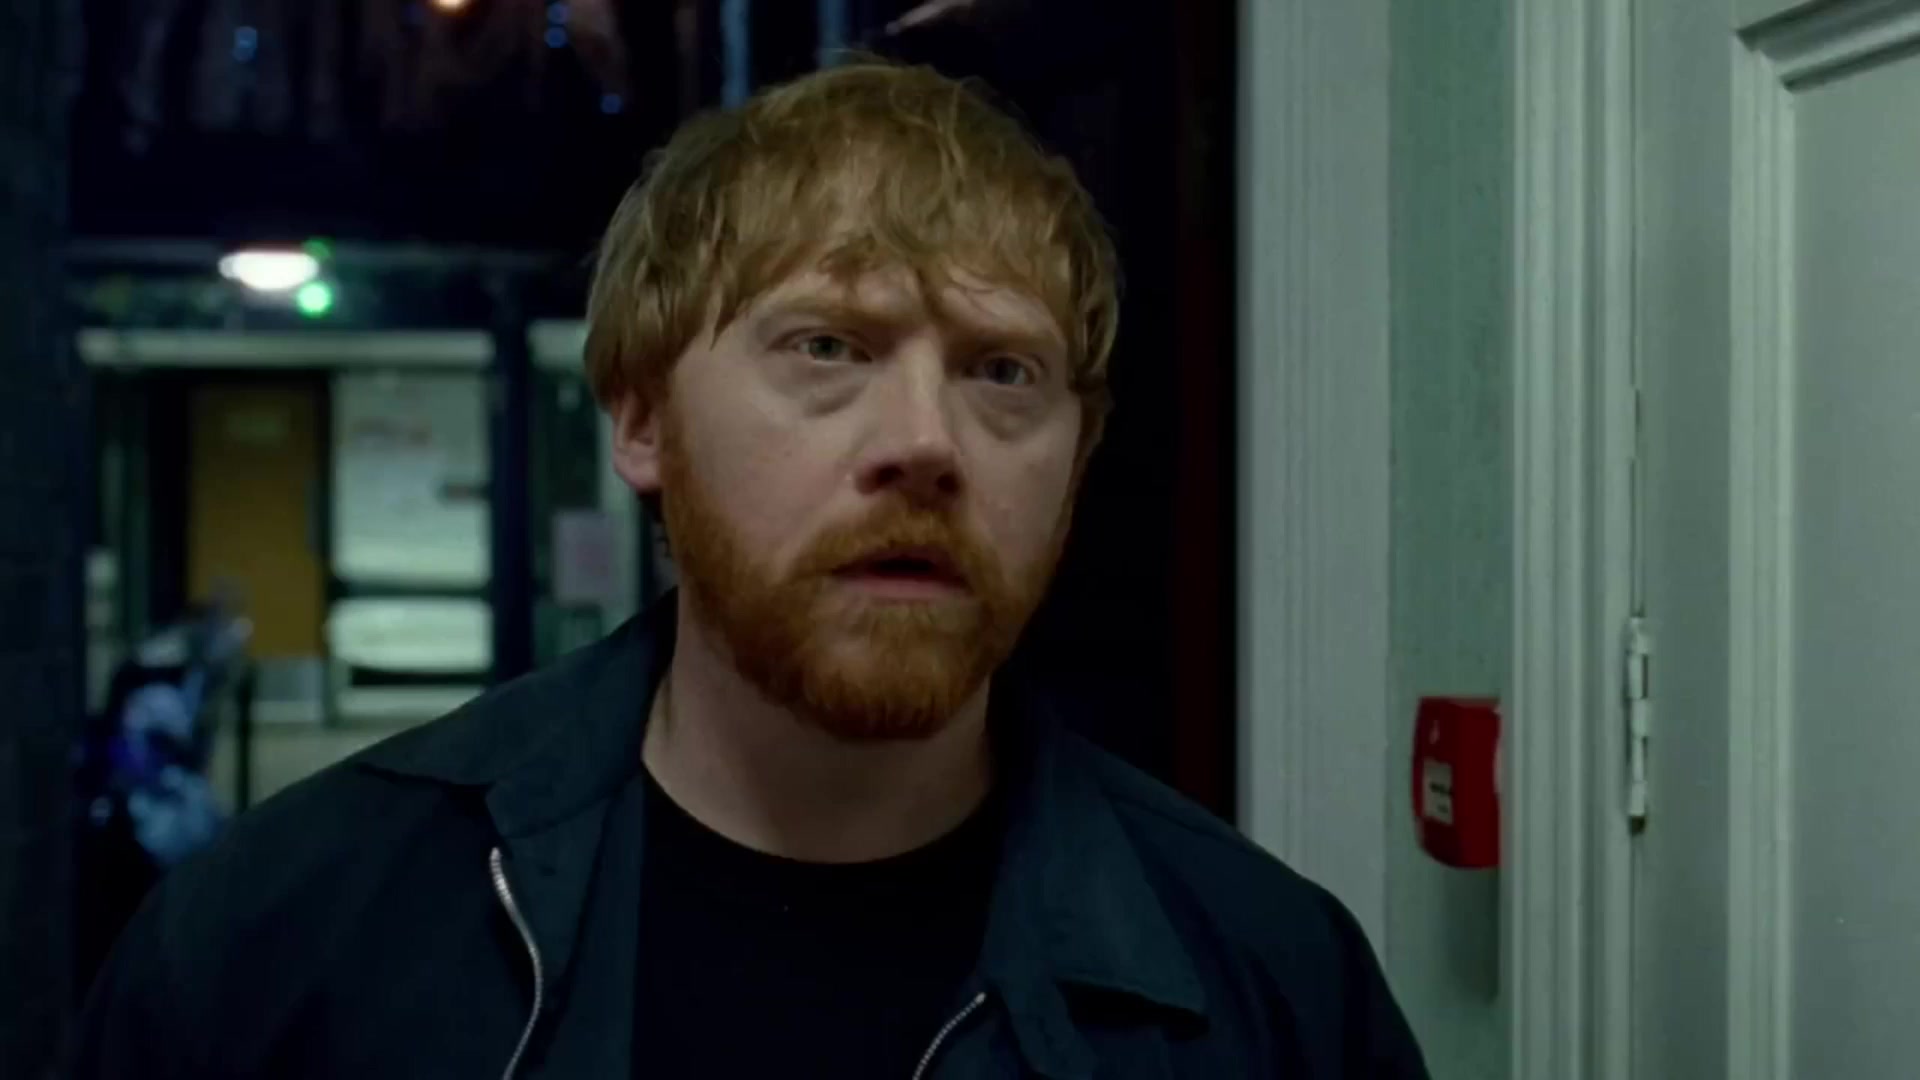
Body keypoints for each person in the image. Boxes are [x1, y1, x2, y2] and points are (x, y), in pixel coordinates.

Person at [74, 62, 1427, 1079]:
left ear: (1077, 460)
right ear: (642, 420)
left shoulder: (1272, 992)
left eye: (1004, 372)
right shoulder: (287, 942)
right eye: (827, 347)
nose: (926, 444)